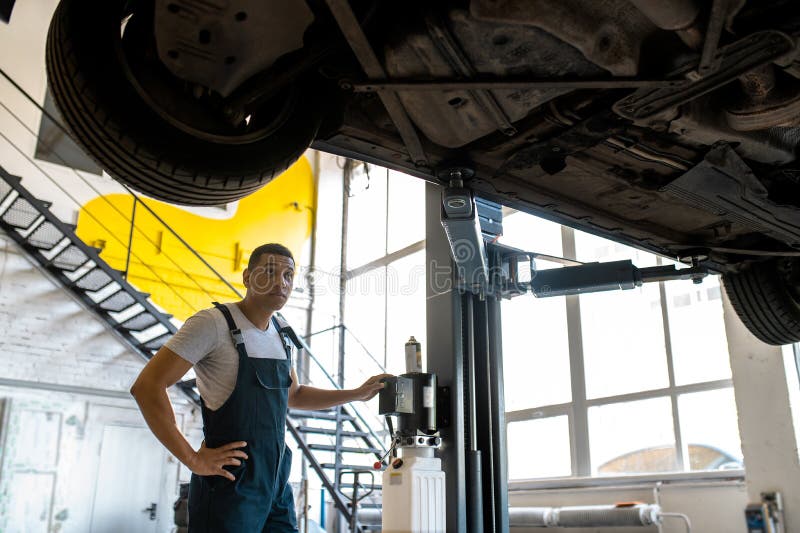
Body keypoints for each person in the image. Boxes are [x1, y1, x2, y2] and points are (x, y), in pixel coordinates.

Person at [130, 243, 391, 532]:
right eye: (269, 272)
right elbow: (147, 386)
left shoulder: (280, 333)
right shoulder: (212, 324)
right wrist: (192, 459)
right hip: (230, 484)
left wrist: (356, 393)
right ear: (247, 277)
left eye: (289, 275)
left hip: (276, 481)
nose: (280, 282)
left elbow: (294, 394)